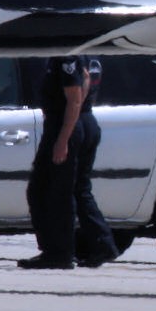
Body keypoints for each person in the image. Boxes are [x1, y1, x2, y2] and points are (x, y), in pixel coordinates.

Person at [20, 56, 96, 269]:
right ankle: (52, 250)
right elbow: (86, 78)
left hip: (63, 128)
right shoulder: (61, 57)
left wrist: (63, 139)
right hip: (58, 126)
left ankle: (60, 254)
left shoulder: (66, 56)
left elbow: (74, 98)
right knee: (39, 190)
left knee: (57, 194)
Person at [73, 57, 118, 267]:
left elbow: (82, 86)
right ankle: (99, 243)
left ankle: (102, 244)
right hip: (86, 118)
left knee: (77, 189)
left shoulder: (76, 58)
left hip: (80, 119)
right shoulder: (92, 57)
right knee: (80, 189)